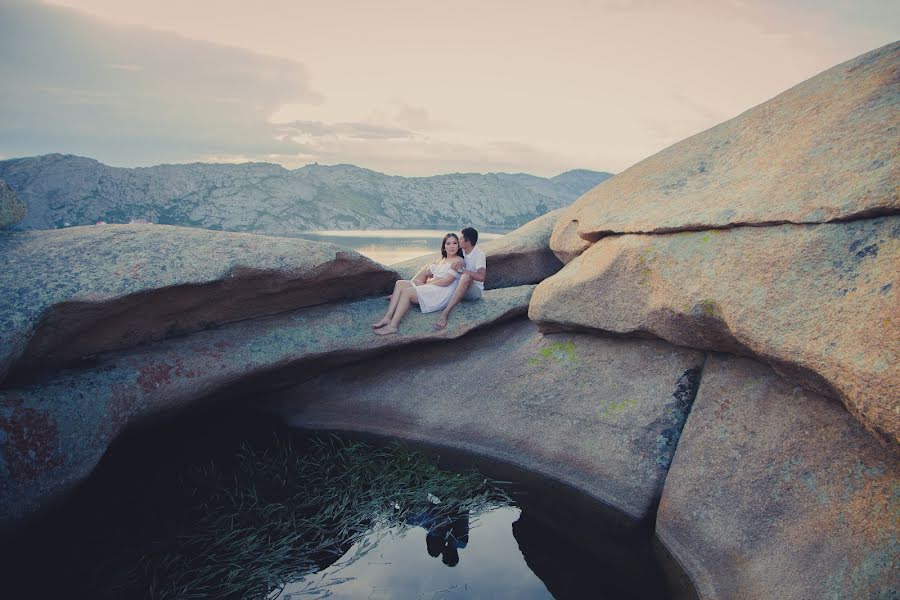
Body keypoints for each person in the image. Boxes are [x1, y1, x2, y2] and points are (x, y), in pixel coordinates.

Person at [372, 233, 465, 335]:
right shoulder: (441, 260)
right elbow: (430, 274)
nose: (452, 246)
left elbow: (447, 282)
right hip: (433, 287)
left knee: (407, 292)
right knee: (400, 283)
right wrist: (428, 278)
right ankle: (387, 317)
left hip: (441, 292)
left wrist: (427, 283)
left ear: (458, 245)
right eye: (448, 243)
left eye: (455, 243)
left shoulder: (459, 261)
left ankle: (393, 326)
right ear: (444, 247)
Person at [434, 226, 486, 331]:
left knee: (465, 277)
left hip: (473, 291)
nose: (458, 240)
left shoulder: (479, 255)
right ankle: (412, 288)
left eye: (461, 238)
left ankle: (445, 313)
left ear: (468, 242)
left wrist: (462, 270)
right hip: (458, 286)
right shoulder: (461, 251)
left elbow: (481, 277)